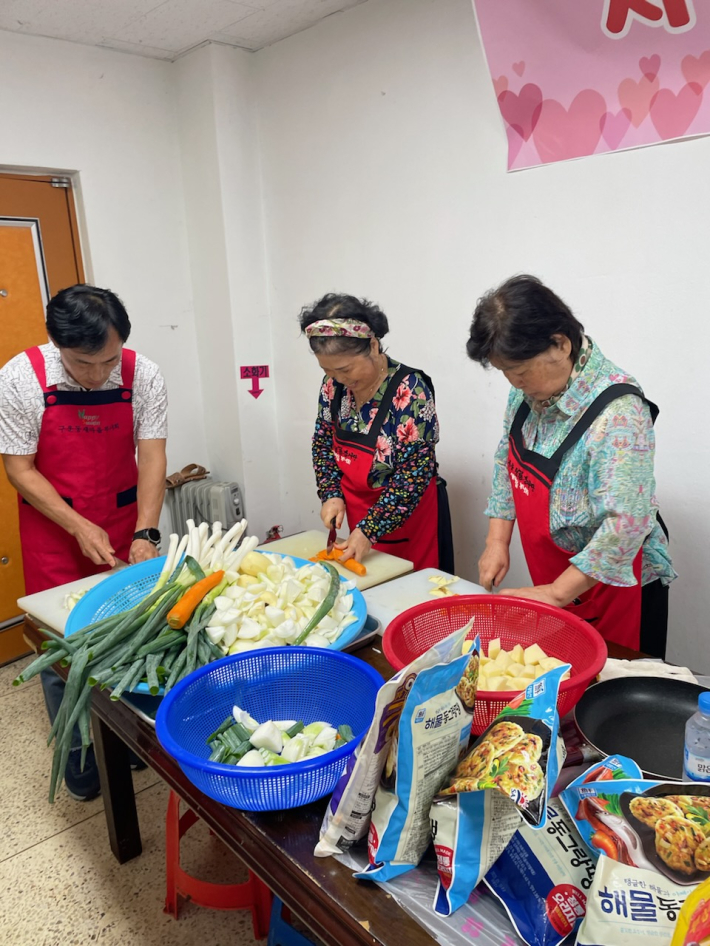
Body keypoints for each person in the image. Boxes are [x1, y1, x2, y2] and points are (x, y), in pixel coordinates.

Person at [0, 284, 168, 799]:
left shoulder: (144, 374)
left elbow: (154, 457)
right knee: (64, 646)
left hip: (123, 520)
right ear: (57, 345)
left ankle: (131, 739)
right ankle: (77, 756)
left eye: (108, 361)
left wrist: (145, 529)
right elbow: (18, 469)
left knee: (132, 632)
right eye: (83, 363)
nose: (98, 375)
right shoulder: (20, 378)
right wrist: (75, 524)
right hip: (53, 529)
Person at [468, 275, 675, 657]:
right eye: (506, 373)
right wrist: (496, 541)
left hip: (613, 590)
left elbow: (626, 522)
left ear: (560, 344)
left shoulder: (618, 412)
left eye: (521, 371)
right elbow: (505, 459)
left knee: (608, 693)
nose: (515, 383)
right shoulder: (527, 392)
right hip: (559, 581)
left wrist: (557, 593)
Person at [300, 293, 453, 571]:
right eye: (328, 370)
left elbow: (412, 477)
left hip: (409, 524)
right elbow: (322, 444)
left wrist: (368, 531)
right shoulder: (333, 387)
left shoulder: (410, 390)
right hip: (360, 519)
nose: (339, 379)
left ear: (372, 346)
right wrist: (331, 493)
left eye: (345, 369)